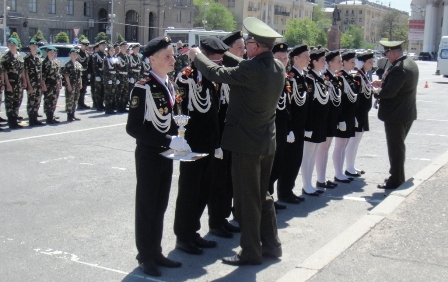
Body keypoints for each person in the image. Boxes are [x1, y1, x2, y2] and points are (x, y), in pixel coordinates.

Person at [188, 17, 283, 266]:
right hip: (266, 143)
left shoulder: (251, 70)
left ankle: (251, 251)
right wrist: (225, 54)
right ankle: (272, 246)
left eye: (248, 42)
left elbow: (214, 73)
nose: (246, 46)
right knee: (263, 196)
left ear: (255, 46)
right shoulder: (276, 67)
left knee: (246, 202)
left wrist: (198, 55)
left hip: (246, 146)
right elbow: (242, 65)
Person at [126, 36, 190, 277]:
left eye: (173, 55)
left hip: (167, 154)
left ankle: (156, 251)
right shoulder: (143, 87)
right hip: (150, 155)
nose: (173, 59)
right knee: (147, 206)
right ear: (152, 59)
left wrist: (179, 139)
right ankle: (145, 255)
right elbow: (133, 128)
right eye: (167, 56)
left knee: (161, 205)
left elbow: (172, 120)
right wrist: (168, 140)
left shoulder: (169, 84)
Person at [173, 36, 226, 254]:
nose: (219, 63)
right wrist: (180, 141)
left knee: (204, 190)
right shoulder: (186, 78)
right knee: (189, 191)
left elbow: (214, 111)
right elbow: (180, 111)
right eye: (215, 58)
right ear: (204, 55)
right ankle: (183, 236)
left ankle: (193, 231)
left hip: (209, 142)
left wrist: (217, 140)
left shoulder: (213, 78)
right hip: (192, 144)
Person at [207, 31, 243, 239]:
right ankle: (216, 221)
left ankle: (223, 218)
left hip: (232, 135)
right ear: (227, 51)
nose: (242, 52)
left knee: (229, 180)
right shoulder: (220, 74)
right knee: (218, 181)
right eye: (238, 48)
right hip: (220, 136)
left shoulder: (234, 72)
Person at [371, 41, 419, 189]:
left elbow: (389, 93)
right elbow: (398, 85)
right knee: (398, 146)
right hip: (405, 112)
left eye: (386, 54)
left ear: (393, 53)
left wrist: (374, 91)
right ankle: (396, 175)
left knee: (395, 149)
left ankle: (396, 179)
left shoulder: (399, 69)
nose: (385, 56)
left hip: (396, 115)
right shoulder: (410, 63)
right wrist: (384, 82)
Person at [276, 44, 310, 202]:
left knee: (296, 160)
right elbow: (288, 105)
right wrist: (289, 128)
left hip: (300, 126)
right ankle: (284, 192)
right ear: (295, 58)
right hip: (291, 127)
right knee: (288, 161)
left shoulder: (302, 76)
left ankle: (288, 190)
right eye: (306, 56)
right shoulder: (292, 76)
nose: (309, 59)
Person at [301, 49, 330, 196]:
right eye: (322, 60)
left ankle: (310, 183)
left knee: (313, 154)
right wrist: (307, 126)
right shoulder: (309, 79)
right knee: (307, 154)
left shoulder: (319, 78)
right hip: (311, 124)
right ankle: (306, 185)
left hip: (319, 122)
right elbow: (308, 105)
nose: (325, 63)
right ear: (314, 62)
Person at [268, 43, 293, 207]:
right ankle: (266, 200)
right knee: (268, 167)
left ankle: (269, 198)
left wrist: (289, 128)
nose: (283, 61)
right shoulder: (269, 76)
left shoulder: (285, 77)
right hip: (271, 126)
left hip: (282, 127)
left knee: (278, 165)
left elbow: (288, 104)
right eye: (279, 58)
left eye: (285, 58)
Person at [315, 50, 343, 189]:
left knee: (326, 147)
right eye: (338, 61)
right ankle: (320, 179)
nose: (340, 63)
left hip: (333, 117)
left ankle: (323, 177)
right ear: (330, 63)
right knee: (323, 148)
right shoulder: (326, 78)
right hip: (326, 118)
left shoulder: (335, 78)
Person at [345, 52, 375, 177]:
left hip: (363, 113)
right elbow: (356, 98)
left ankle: (352, 165)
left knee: (357, 141)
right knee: (353, 141)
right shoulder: (358, 77)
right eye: (370, 62)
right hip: (358, 113)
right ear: (362, 63)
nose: (372, 65)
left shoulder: (364, 76)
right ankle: (349, 167)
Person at [332, 51, 360, 183]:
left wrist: (352, 116)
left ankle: (341, 171)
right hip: (343, 116)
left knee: (345, 144)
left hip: (349, 115)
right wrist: (341, 119)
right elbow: (341, 101)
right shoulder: (340, 77)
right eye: (352, 62)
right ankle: (338, 172)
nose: (354, 64)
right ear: (344, 62)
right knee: (340, 144)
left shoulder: (349, 77)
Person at [1, 38, 26, 129]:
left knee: (17, 101)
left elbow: (22, 70)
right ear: (8, 46)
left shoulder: (19, 56)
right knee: (9, 103)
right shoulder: (5, 57)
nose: (12, 46)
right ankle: (11, 121)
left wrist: (24, 80)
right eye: (10, 45)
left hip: (18, 83)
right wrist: (6, 84)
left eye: (14, 45)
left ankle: (15, 120)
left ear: (16, 46)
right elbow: (4, 72)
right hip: (10, 83)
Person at [24, 39, 44, 126]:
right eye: (33, 45)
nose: (34, 47)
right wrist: (29, 85)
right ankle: (31, 119)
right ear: (30, 47)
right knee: (31, 101)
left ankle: (35, 118)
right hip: (31, 83)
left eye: (36, 46)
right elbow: (26, 73)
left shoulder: (38, 58)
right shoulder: (27, 59)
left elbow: (40, 72)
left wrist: (42, 83)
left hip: (38, 83)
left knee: (37, 101)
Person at [41, 46, 62, 124]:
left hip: (55, 85)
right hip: (48, 85)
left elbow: (59, 74)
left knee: (54, 101)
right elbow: (42, 76)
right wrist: (43, 85)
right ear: (47, 53)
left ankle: (52, 115)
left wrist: (60, 83)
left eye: (53, 52)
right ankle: (48, 117)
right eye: (50, 52)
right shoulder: (44, 63)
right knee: (48, 101)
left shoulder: (56, 62)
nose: (52, 54)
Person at [62, 48, 83, 122]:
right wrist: (68, 85)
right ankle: (69, 115)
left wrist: (81, 83)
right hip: (71, 84)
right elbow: (66, 76)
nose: (74, 55)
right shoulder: (68, 64)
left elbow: (80, 75)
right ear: (70, 54)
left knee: (75, 99)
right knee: (69, 100)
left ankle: (73, 114)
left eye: (76, 54)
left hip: (77, 85)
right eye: (73, 54)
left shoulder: (78, 64)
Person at [102, 44, 118, 114]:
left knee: (112, 94)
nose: (113, 51)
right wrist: (108, 79)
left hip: (114, 78)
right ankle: (108, 108)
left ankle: (111, 108)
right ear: (108, 51)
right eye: (111, 50)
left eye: (113, 50)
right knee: (108, 94)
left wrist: (117, 78)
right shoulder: (106, 59)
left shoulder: (115, 59)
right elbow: (105, 71)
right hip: (108, 79)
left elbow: (117, 70)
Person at [115, 41, 130, 113]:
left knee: (125, 93)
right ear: (120, 48)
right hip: (120, 77)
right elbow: (116, 68)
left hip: (126, 77)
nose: (125, 48)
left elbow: (129, 68)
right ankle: (119, 107)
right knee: (119, 93)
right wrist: (117, 78)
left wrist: (129, 76)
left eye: (126, 46)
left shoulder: (127, 57)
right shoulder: (118, 56)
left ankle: (123, 106)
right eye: (123, 47)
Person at [77, 39, 91, 109]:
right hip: (79, 73)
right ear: (82, 45)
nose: (86, 47)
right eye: (85, 45)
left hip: (85, 73)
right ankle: (79, 104)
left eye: (86, 46)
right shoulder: (77, 53)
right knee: (79, 89)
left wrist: (88, 73)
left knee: (84, 89)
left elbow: (88, 64)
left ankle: (82, 103)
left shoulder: (87, 53)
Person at [93, 40, 107, 111]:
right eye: (102, 45)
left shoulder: (105, 54)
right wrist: (97, 75)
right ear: (99, 46)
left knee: (103, 90)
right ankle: (98, 105)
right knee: (98, 91)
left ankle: (102, 104)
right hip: (99, 74)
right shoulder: (96, 55)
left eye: (104, 45)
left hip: (104, 75)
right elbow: (95, 66)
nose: (104, 47)